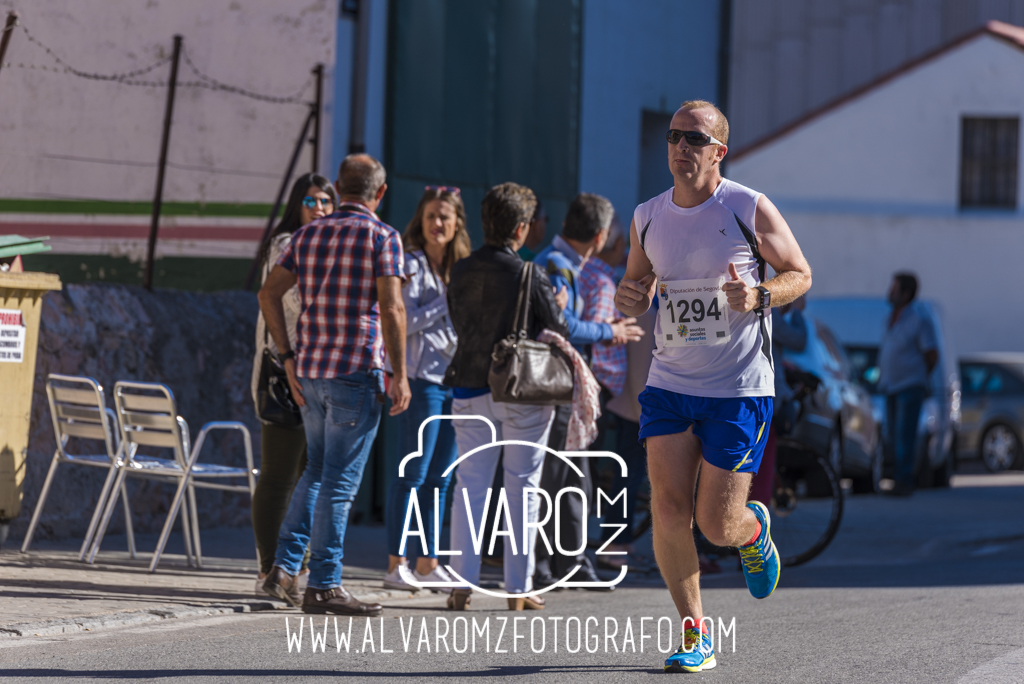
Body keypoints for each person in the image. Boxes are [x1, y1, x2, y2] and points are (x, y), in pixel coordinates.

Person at [615, 100, 812, 673]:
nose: (680, 146)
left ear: (718, 151)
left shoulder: (747, 207)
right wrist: (632, 296)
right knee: (669, 510)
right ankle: (695, 632)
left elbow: (800, 272)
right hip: (670, 381)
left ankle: (751, 531)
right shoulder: (646, 216)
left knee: (714, 524)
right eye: (674, 136)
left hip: (739, 386)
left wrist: (759, 296)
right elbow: (637, 282)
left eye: (694, 139)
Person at [258, 154, 411, 617]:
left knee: (317, 471)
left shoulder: (307, 234)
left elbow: (268, 292)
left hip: (311, 370)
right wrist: (399, 373)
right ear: (379, 193)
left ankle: (284, 569)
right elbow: (391, 308)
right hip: (355, 371)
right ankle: (323, 583)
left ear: (341, 188)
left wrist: (287, 356)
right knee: (339, 484)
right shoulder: (382, 236)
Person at [443, 182, 570, 611]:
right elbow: (557, 331)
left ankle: (462, 584)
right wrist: (562, 304)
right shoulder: (531, 274)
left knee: (469, 487)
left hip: (469, 384)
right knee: (523, 487)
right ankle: (519, 587)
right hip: (520, 389)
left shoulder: (459, 269)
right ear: (520, 228)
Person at [532, 194, 643, 590]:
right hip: (559, 385)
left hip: (569, 386)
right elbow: (564, 327)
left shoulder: (561, 263)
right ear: (598, 237)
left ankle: (569, 563)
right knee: (558, 478)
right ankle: (550, 566)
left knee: (573, 478)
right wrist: (610, 332)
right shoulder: (556, 265)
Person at [250, 173, 337, 600]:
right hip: (286, 372)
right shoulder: (288, 244)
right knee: (279, 476)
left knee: (312, 475)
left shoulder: (329, 243)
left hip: (322, 374)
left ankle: (295, 571)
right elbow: (291, 304)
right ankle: (270, 570)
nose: (319, 208)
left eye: (326, 202)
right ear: (296, 205)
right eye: (310, 201)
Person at [382, 186, 470, 590]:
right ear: (421, 220)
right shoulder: (410, 263)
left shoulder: (463, 268)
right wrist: (445, 303)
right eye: (431, 215)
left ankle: (427, 562)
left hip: (456, 382)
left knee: (441, 478)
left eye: (445, 217)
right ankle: (395, 565)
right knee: (412, 475)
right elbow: (405, 320)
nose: (438, 223)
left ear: (456, 225)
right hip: (422, 382)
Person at [878, 272, 937, 496]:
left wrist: (918, 376)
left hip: (909, 386)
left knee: (905, 435)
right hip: (891, 386)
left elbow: (932, 354)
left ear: (906, 293)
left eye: (894, 289)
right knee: (893, 435)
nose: (890, 292)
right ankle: (897, 479)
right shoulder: (891, 318)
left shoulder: (919, 320)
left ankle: (904, 481)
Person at [748, 296, 808, 507]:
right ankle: (756, 523)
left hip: (745, 395)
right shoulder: (767, 309)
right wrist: (798, 311)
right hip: (766, 397)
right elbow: (798, 340)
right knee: (762, 466)